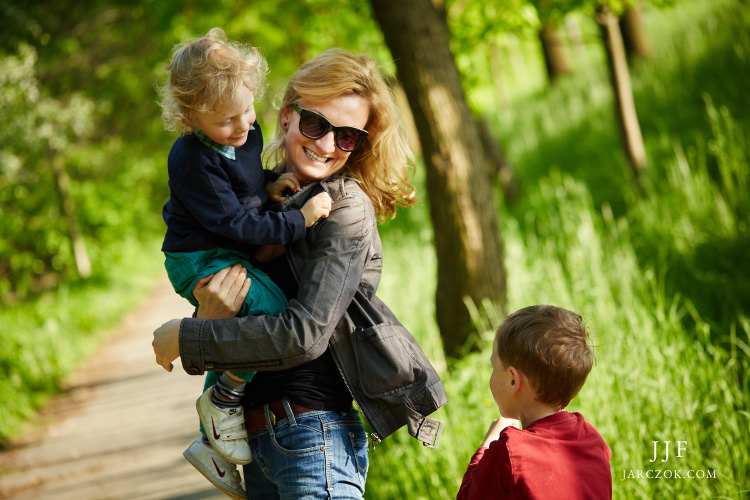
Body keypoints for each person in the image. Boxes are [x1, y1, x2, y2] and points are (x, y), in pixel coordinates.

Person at [153, 48, 447, 500]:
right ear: (288, 115)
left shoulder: (343, 208)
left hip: (313, 436)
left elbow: (305, 333)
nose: (327, 145)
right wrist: (210, 316)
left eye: (347, 136)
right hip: (258, 441)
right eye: (316, 124)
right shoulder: (256, 194)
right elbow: (230, 296)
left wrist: (189, 337)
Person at [158, 27, 332, 499]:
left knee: (241, 315)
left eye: (248, 110)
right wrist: (301, 220)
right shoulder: (191, 160)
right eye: (226, 121)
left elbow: (247, 184)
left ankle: (211, 436)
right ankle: (224, 396)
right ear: (191, 116)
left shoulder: (244, 131)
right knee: (271, 311)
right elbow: (239, 224)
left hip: (228, 243)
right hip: (202, 256)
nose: (241, 127)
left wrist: (272, 184)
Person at [456, 305, 612, 500]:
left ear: (513, 380)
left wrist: (488, 444)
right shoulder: (593, 441)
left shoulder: (507, 452)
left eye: (493, 366)